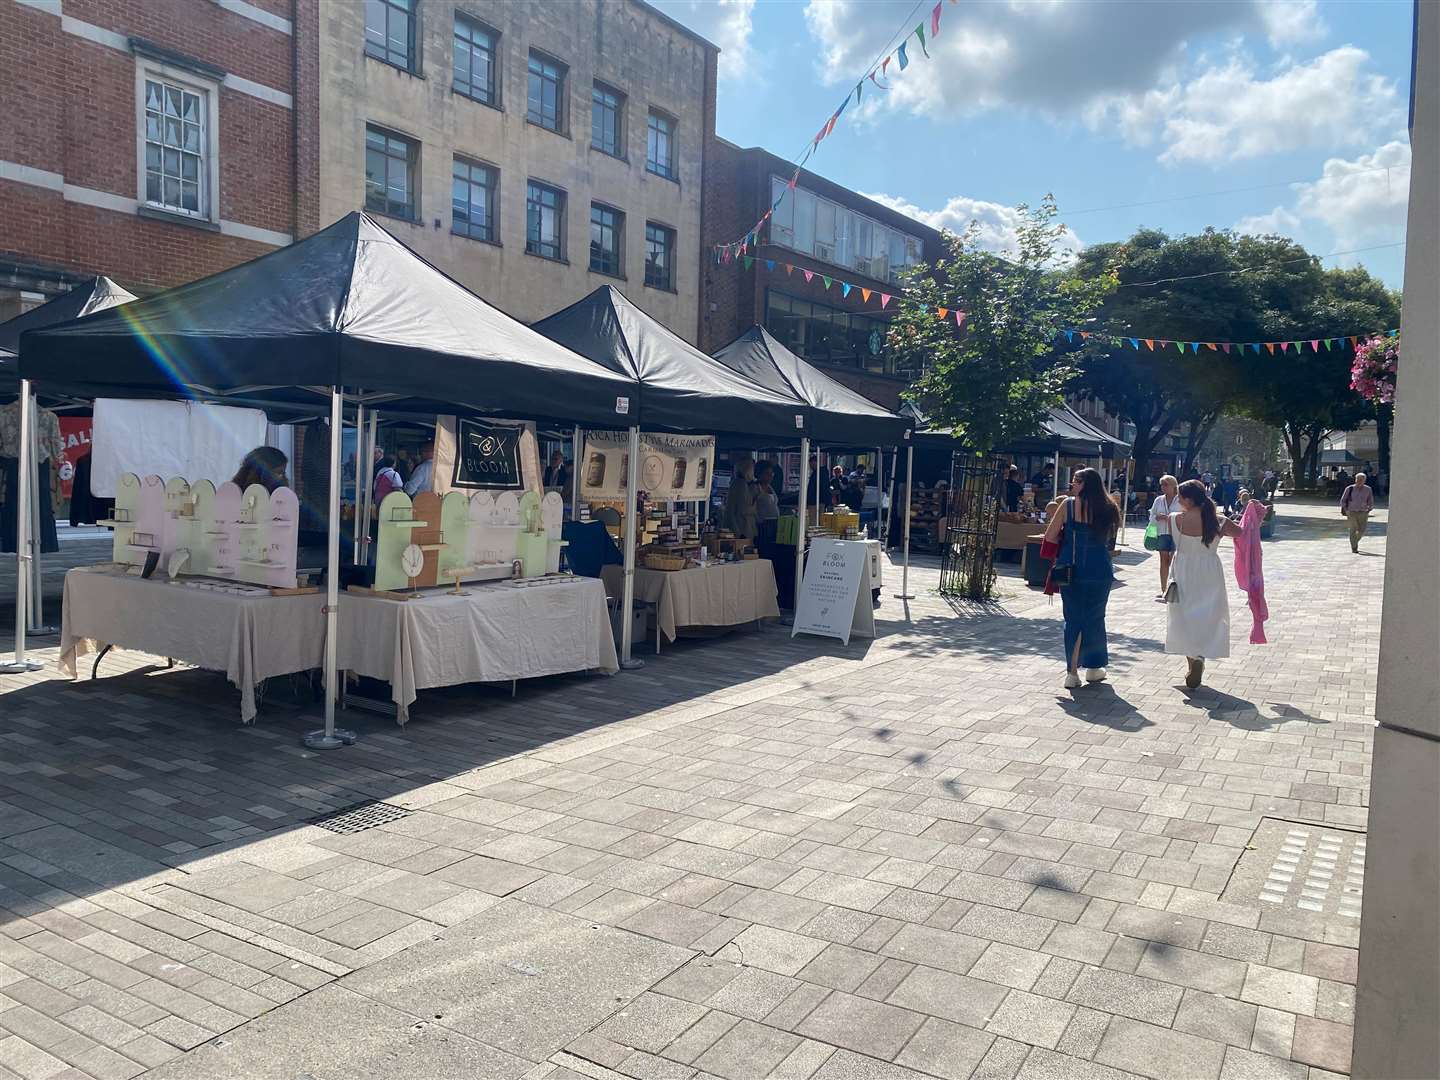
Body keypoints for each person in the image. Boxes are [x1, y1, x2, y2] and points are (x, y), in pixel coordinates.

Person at [1158, 478, 1243, 688]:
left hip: (1183, 570)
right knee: (1209, 614)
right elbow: (1242, 532)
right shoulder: (1219, 521)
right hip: (1210, 570)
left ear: (1187, 499)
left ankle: (1193, 660)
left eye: (1180, 496)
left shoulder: (1175, 519)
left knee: (1184, 616)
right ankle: (1202, 654)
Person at [1042, 467, 1119, 690]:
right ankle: (1094, 668)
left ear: (1085, 484)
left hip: (1072, 569)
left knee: (1073, 618)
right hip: (1100, 569)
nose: (1072, 485)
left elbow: (1050, 535)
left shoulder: (1068, 505)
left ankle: (1071, 673)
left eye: (1075, 481)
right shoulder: (1109, 506)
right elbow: (1110, 539)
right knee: (1095, 617)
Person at [1148, 474, 1180, 600]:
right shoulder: (1158, 500)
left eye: (1166, 484)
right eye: (1162, 484)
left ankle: (1174, 588)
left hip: (1176, 533)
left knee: (1174, 561)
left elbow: (1184, 515)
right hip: (1162, 532)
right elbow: (1151, 515)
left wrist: (1171, 518)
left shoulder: (1180, 499)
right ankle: (1163, 589)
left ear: (1173, 486)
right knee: (1163, 560)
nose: (1163, 487)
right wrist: (1157, 517)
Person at [1339, 471, 1374, 553]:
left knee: (1362, 530)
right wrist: (1346, 509)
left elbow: (1370, 500)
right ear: (1355, 479)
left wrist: (1370, 508)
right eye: (1358, 479)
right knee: (1353, 529)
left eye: (1361, 479)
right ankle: (1354, 547)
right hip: (1351, 512)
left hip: (1363, 512)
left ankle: (1355, 541)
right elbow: (1343, 500)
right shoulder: (1349, 488)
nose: (1359, 481)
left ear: (1364, 480)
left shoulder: (1368, 489)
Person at [724, 458, 757, 539]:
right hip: (742, 528)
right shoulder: (740, 484)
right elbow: (742, 509)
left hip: (742, 528)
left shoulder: (739, 483)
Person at [753, 460, 780, 543]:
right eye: (767, 474)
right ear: (759, 474)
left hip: (774, 523)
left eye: (772, 473)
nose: (770, 476)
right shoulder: (755, 488)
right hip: (762, 525)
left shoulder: (770, 487)